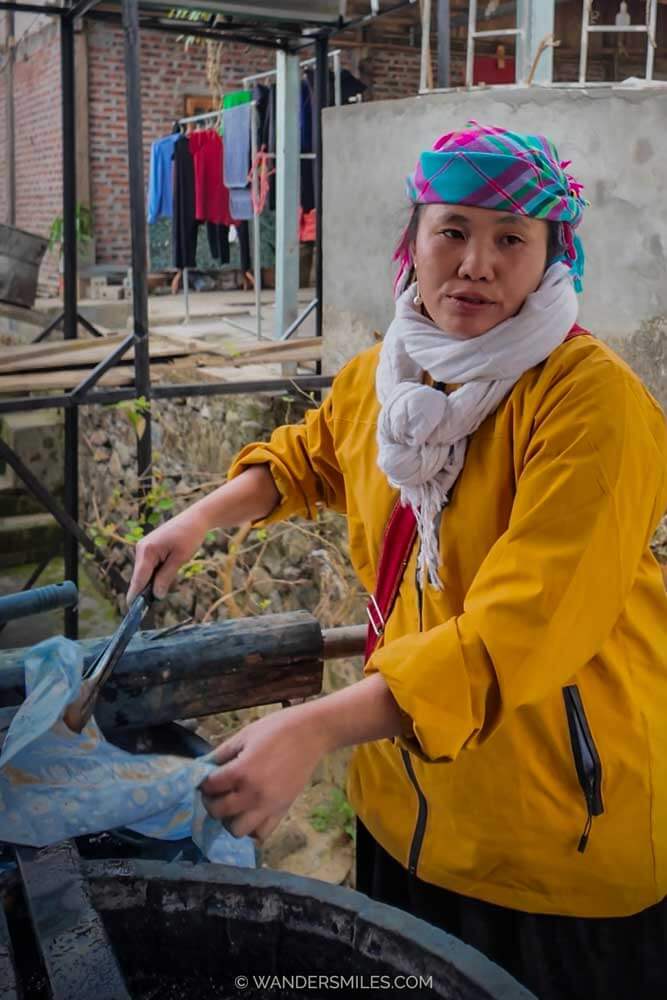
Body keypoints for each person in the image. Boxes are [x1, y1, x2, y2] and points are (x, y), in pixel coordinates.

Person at [128, 123, 667, 999]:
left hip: (554, 832)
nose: (475, 263)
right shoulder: (389, 373)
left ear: (552, 256)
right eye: (451, 230)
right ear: (411, 241)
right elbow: (317, 454)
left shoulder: (589, 405)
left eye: (509, 239)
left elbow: (517, 627)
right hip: (399, 803)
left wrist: (313, 726)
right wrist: (198, 518)